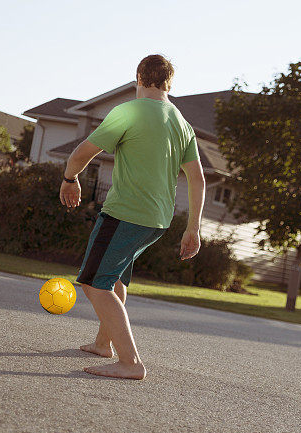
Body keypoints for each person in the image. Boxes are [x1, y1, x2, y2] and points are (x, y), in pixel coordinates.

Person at [59, 54, 205, 380]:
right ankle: (102, 344)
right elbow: (197, 179)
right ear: (170, 83)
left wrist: (70, 179)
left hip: (125, 213)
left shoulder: (130, 111)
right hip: (157, 221)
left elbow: (84, 152)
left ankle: (131, 362)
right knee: (115, 279)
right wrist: (193, 228)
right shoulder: (181, 123)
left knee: (94, 284)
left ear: (139, 77)